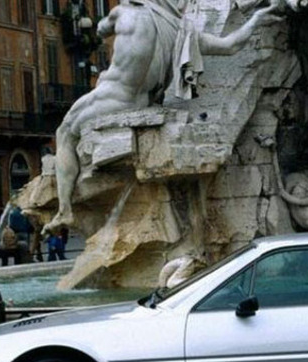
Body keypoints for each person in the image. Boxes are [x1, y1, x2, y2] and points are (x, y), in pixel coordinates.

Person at [42, 0, 285, 234]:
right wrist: (257, 19)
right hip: (142, 100)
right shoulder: (182, 33)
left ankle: (65, 210)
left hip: (114, 97)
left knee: (64, 132)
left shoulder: (123, 12)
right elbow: (230, 45)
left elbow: (100, 29)